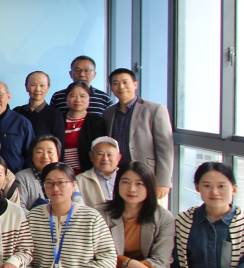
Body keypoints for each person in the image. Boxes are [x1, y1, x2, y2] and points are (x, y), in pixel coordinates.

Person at [104, 68, 174, 201]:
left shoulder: (154, 110)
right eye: (116, 83)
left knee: (150, 212)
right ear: (111, 87)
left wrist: (164, 181)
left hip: (148, 175)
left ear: (135, 85)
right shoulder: (109, 113)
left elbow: (165, 149)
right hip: (119, 175)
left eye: (125, 82)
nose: (121, 87)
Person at [0, 81, 34, 174]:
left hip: (15, 176)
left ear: (9, 97)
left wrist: (23, 177)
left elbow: (31, 154)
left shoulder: (22, 122)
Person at [60, 81, 108, 174]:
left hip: (87, 175)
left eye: (83, 96)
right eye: (73, 96)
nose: (78, 100)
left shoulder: (97, 122)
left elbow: (99, 150)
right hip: (62, 174)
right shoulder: (58, 120)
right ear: (66, 98)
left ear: (89, 98)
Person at [13, 135, 64, 210]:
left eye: (50, 152)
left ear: (58, 156)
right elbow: (19, 208)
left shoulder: (66, 175)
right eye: (39, 152)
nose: (45, 156)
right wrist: (40, 217)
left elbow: (77, 202)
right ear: (32, 157)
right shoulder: (21, 178)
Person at [14, 72, 66, 143]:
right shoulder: (17, 112)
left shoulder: (55, 115)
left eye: (42, 85)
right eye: (33, 85)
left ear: (48, 88)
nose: (38, 89)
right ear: (26, 87)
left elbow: (59, 145)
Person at [77, 136, 121, 208]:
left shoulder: (126, 177)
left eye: (110, 155)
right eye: (100, 154)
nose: (105, 159)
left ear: (118, 158)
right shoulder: (79, 181)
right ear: (91, 156)